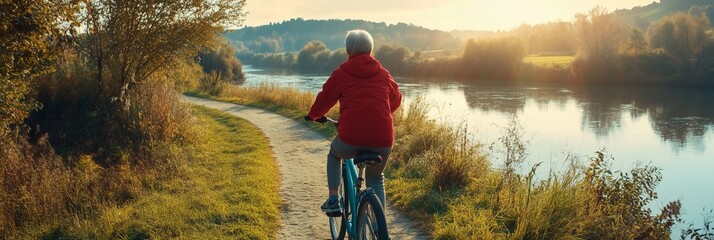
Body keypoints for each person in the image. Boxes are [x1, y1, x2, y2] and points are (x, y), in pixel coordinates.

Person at [305, 29, 402, 215]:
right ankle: (377, 229)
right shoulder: (383, 73)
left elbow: (325, 99)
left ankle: (333, 198)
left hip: (350, 141)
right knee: (376, 178)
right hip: (383, 141)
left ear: (348, 51)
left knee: (334, 154)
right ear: (371, 51)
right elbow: (396, 100)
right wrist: (381, 113)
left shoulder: (341, 73)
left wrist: (314, 115)